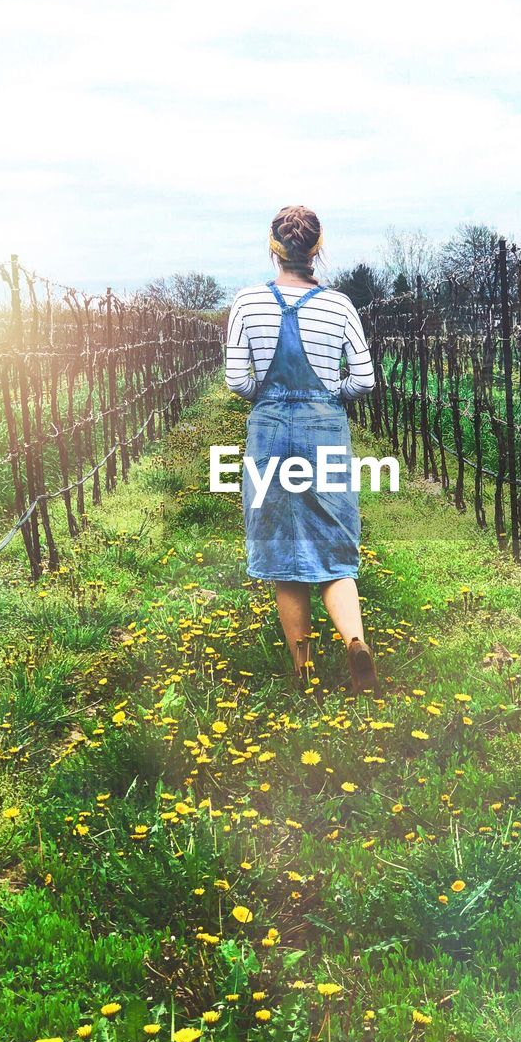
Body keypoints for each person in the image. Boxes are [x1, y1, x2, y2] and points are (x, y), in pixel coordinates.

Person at [225, 204, 379, 693]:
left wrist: (268, 396)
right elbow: (366, 379)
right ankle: (354, 642)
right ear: (317, 249)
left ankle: (304, 671)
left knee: (281, 551)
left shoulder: (247, 303)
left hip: (270, 432)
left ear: (275, 248)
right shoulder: (339, 306)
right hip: (324, 431)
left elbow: (235, 379)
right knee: (333, 547)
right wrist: (329, 394)